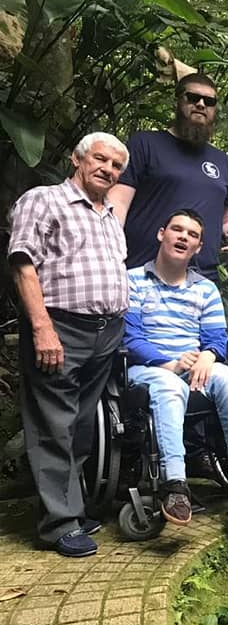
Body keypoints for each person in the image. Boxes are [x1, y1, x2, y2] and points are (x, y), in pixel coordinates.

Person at [9, 133, 129, 556]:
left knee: (80, 425)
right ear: (78, 158)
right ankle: (58, 524)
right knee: (52, 425)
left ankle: (71, 510)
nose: (108, 170)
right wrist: (42, 327)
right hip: (61, 328)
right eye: (101, 159)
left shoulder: (109, 214)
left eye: (116, 166)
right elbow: (23, 266)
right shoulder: (44, 200)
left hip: (105, 331)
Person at [124, 209, 228, 526]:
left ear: (198, 248)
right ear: (162, 234)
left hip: (196, 364)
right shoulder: (132, 281)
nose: (183, 237)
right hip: (148, 369)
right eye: (177, 229)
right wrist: (167, 362)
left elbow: (215, 337)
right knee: (169, 386)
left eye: (192, 235)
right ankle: (175, 483)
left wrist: (208, 356)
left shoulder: (204, 289)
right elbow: (130, 337)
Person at [112, 73, 228, 278]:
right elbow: (117, 204)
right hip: (141, 273)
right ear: (178, 101)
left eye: (209, 101)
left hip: (201, 279)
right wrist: (111, 254)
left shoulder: (224, 163)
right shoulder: (145, 144)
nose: (201, 104)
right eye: (193, 97)